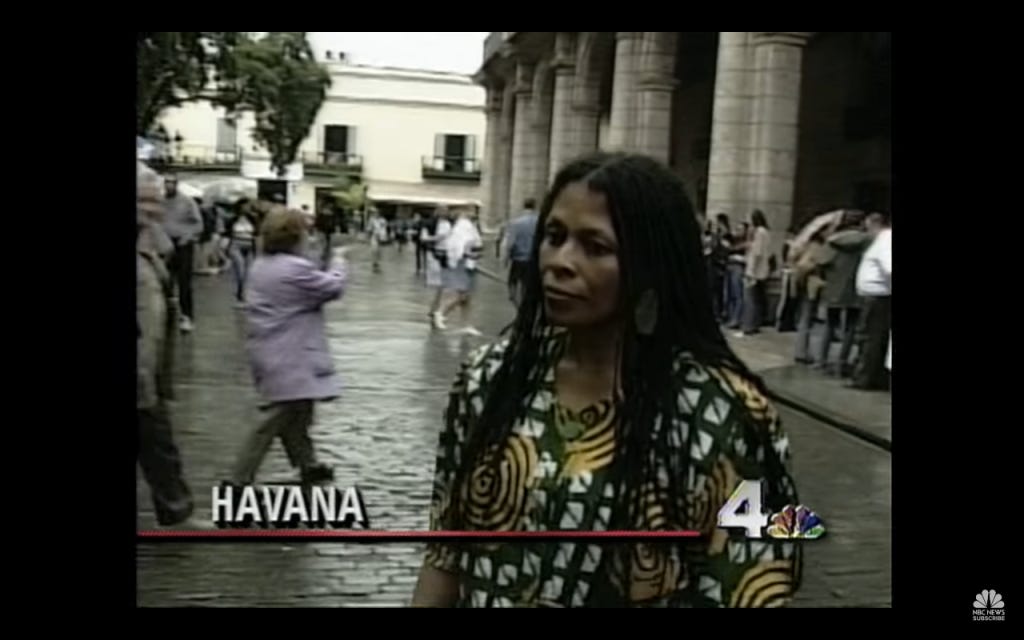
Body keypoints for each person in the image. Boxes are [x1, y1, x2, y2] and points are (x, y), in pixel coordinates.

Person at [411, 152, 801, 608]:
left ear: (651, 265)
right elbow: (445, 553)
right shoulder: (489, 379)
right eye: (554, 237)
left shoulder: (725, 414)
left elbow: (751, 583)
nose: (560, 261)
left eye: (595, 246)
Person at [225, 207, 348, 486]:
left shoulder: (263, 264)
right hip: (288, 353)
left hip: (272, 349)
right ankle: (238, 478)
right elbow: (332, 287)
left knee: (298, 413)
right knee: (275, 417)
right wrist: (339, 262)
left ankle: (308, 464)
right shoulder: (292, 268)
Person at [137, 172, 207, 529]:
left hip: (148, 370)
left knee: (159, 444)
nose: (154, 209)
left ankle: (176, 510)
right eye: (145, 201)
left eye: (155, 201)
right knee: (156, 441)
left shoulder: (150, 244)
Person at [817, 211, 871, 376]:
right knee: (850, 328)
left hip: (833, 287)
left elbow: (821, 261)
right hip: (855, 288)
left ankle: (822, 360)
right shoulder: (867, 241)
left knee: (829, 325)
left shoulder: (833, 240)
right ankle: (841, 363)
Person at [852, 213, 891, 390]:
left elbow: (889, 267)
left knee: (870, 339)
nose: (866, 233)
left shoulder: (885, 240)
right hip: (875, 295)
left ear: (876, 225)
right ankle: (869, 376)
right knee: (871, 338)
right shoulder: (882, 240)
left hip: (878, 297)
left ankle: (865, 378)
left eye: (868, 228)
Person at [161, 174, 204, 333]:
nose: (169, 185)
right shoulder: (161, 201)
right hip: (164, 244)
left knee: (184, 281)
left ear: (176, 184)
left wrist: (187, 236)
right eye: (167, 182)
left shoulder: (187, 202)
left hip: (183, 244)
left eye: (172, 182)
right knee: (164, 279)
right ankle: (167, 312)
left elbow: (198, 224)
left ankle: (187, 316)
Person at [435, 208, 484, 335]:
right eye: (472, 211)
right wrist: (469, 255)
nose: (475, 214)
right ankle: (441, 312)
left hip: (469, 264)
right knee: (461, 295)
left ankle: (467, 324)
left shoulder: (469, 226)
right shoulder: (462, 227)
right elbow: (458, 247)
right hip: (462, 264)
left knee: (467, 298)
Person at [791, 229, 829, 364]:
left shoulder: (806, 246)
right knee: (806, 319)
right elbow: (804, 266)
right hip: (811, 286)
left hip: (805, 286)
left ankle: (801, 351)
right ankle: (801, 352)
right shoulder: (816, 247)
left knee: (804, 318)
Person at [738, 210, 771, 336]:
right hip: (761, 270)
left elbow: (757, 253)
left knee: (750, 299)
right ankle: (755, 324)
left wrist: (750, 272)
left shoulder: (760, 233)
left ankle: (748, 326)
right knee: (757, 300)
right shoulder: (765, 233)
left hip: (755, 271)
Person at [505, 198, 540, 306]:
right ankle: (526, 307)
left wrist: (505, 259)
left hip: (518, 259)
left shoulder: (515, 223)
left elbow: (510, 243)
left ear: (523, 206)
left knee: (512, 284)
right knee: (528, 286)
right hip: (533, 260)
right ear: (535, 206)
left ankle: (517, 305)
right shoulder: (539, 223)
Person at [225, 200, 259, 307]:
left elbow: (257, 234)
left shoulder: (253, 219)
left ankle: (244, 296)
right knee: (240, 271)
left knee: (248, 273)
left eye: (248, 206)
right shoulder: (233, 219)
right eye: (245, 206)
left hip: (249, 247)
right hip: (236, 245)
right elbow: (226, 234)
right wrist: (225, 249)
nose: (247, 208)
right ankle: (240, 295)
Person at [425, 206, 454, 326]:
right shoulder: (445, 224)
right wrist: (430, 239)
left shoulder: (436, 224)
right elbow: (442, 236)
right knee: (441, 285)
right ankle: (435, 309)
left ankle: (434, 308)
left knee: (440, 285)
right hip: (441, 255)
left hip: (437, 254)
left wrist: (428, 239)